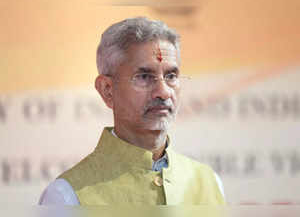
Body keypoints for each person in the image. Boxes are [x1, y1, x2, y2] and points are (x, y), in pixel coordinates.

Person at [39, 17, 225, 205]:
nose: (163, 92)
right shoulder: (67, 197)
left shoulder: (209, 183)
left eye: (171, 76)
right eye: (144, 76)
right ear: (107, 90)